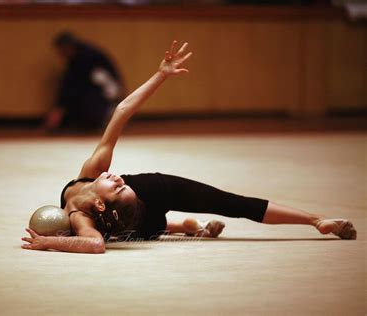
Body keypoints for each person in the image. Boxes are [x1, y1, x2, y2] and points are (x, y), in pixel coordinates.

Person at [23, 40, 357, 254]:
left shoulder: (88, 188)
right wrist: (48, 242)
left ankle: (316, 220)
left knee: (231, 203)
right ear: (100, 205)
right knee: (138, 231)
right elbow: (95, 244)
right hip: (136, 220)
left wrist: (161, 75)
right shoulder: (89, 218)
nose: (118, 177)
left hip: (155, 196)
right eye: (120, 184)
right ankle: (186, 227)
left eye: (119, 183)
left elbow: (123, 111)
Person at [45, 32, 123, 132]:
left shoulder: (86, 57)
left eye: (61, 51)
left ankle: (107, 114)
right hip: (97, 90)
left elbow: (73, 86)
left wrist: (59, 108)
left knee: (82, 100)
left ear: (68, 47)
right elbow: (69, 84)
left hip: (106, 94)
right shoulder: (77, 57)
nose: (60, 54)